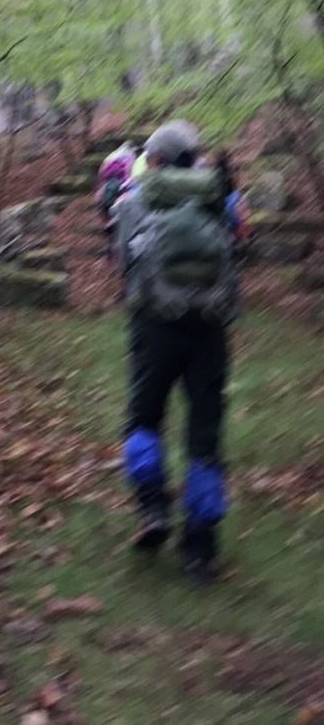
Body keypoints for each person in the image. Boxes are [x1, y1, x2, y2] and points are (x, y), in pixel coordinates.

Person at [114, 120, 238, 587]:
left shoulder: (134, 201)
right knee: (204, 436)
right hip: (208, 331)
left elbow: (124, 263)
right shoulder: (219, 197)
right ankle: (199, 553)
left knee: (142, 419)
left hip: (154, 329)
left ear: (156, 160)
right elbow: (237, 249)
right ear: (194, 158)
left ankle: (152, 506)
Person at [96, 140, 136, 259]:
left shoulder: (110, 158)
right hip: (119, 194)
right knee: (120, 224)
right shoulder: (130, 157)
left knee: (110, 225)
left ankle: (110, 248)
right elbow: (129, 178)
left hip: (105, 195)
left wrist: (99, 195)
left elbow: (101, 176)